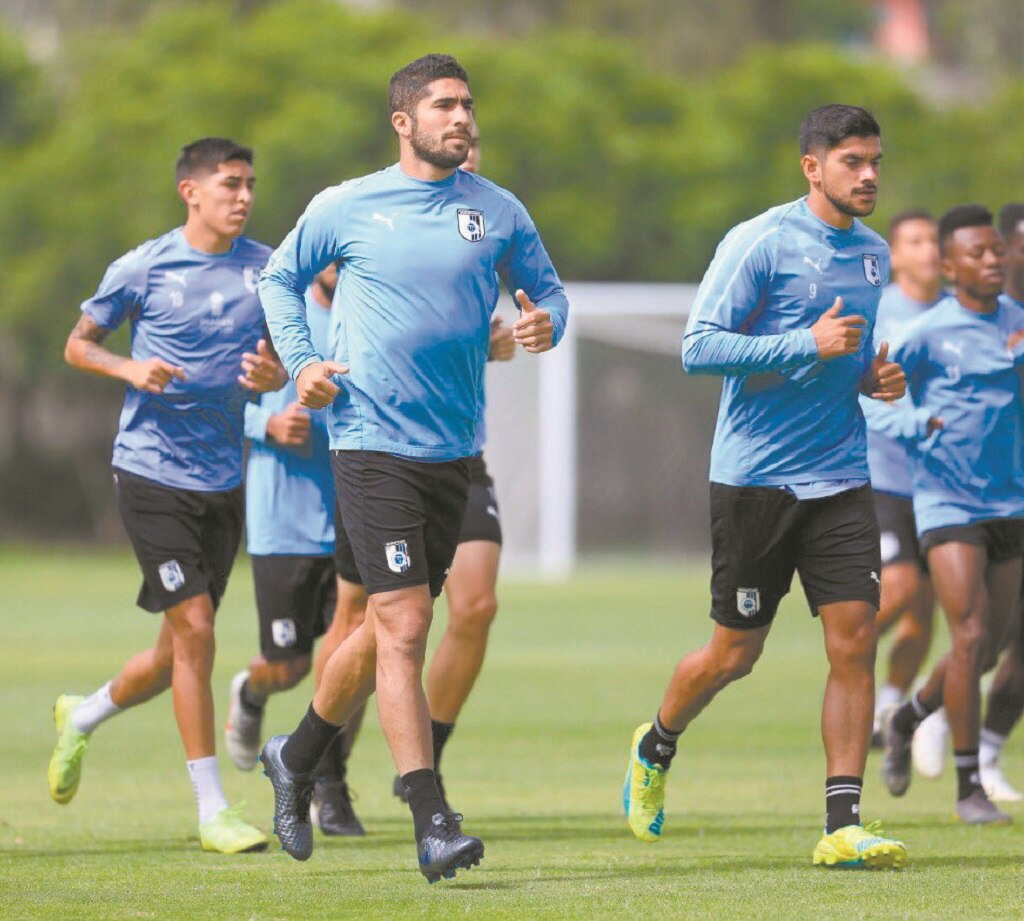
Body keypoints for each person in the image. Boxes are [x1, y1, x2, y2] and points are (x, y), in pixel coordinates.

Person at [256, 54, 568, 881]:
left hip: (453, 453)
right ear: (404, 122)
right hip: (368, 441)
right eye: (444, 106)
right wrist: (302, 363)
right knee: (402, 624)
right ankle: (431, 818)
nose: (462, 117)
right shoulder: (347, 205)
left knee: (374, 628)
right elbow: (278, 280)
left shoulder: (498, 211)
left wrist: (545, 328)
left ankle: (298, 751)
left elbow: (549, 294)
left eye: (467, 104)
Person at [623, 104, 908, 869]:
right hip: (756, 480)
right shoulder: (761, 241)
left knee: (853, 640)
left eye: (875, 159)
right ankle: (654, 745)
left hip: (843, 475)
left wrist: (872, 377)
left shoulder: (877, 255)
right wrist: (804, 344)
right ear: (812, 167)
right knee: (732, 655)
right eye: (853, 161)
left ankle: (843, 822)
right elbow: (698, 346)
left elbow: (847, 359)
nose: (870, 174)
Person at [49, 137, 286, 853]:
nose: (243, 196)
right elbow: (77, 344)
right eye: (230, 184)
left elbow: (280, 360)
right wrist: (129, 366)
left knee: (172, 652)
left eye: (249, 184)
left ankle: (81, 716)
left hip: (223, 478)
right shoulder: (144, 266)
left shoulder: (267, 268)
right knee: (200, 635)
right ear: (191, 192)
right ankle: (213, 808)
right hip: (151, 473)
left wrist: (273, 375)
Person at [880, 204, 1024, 824]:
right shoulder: (924, 332)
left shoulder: (1018, 323)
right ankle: (969, 787)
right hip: (947, 501)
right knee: (967, 636)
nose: (993, 261)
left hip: (1010, 501)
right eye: (978, 253)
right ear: (948, 265)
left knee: (986, 648)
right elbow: (871, 403)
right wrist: (916, 422)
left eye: (997, 251)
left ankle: (910, 715)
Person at [223, 261, 365, 836]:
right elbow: (221, 401)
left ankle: (329, 787)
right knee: (290, 665)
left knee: (358, 659)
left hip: (353, 513)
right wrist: (269, 425)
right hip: (283, 520)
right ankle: (252, 692)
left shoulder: (370, 313)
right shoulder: (277, 313)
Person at [859, 211, 943, 747]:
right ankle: (849, 657)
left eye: (934, 239)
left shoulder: (960, 313)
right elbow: (863, 389)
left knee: (925, 614)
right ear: (894, 253)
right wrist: (913, 424)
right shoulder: (879, 310)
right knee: (902, 585)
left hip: (941, 484)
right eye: (915, 240)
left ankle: (888, 706)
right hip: (884, 476)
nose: (928, 249)